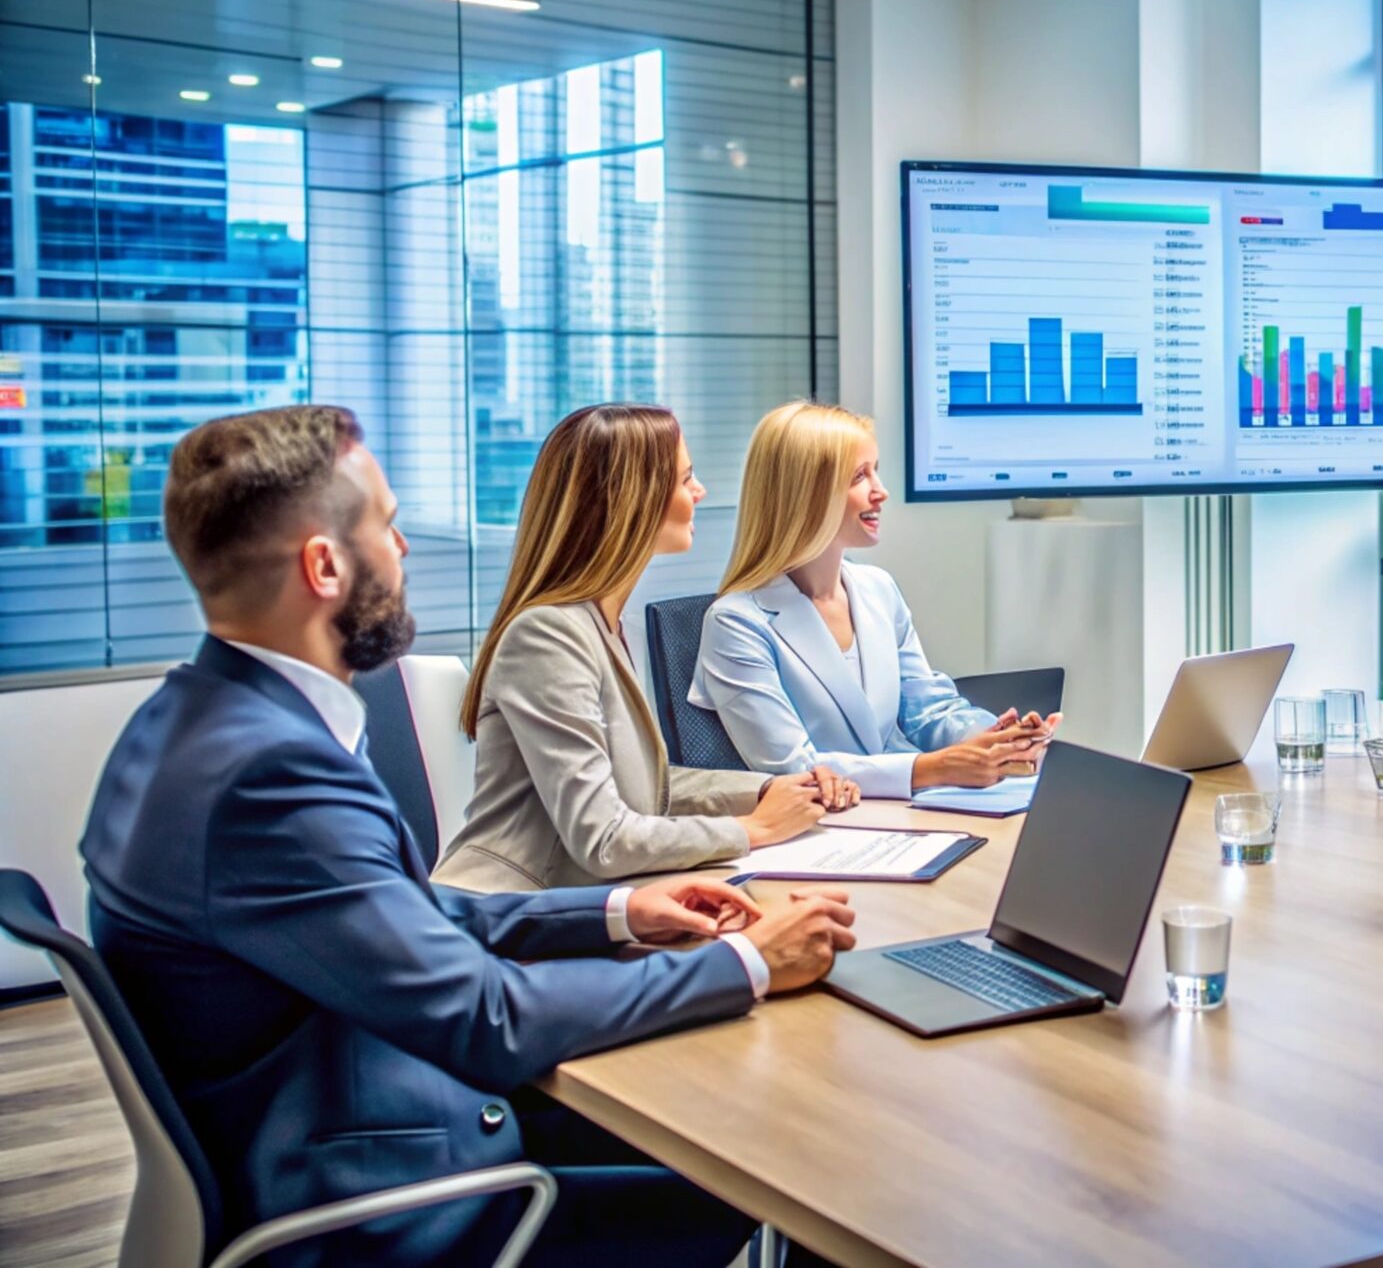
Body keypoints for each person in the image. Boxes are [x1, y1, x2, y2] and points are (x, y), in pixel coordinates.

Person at [80, 405, 858, 1268]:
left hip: (353, 1111)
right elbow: (486, 1018)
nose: (405, 550)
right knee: (788, 1166)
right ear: (324, 563)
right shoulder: (268, 778)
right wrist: (748, 962)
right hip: (395, 1199)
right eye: (389, 523)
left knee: (742, 1121)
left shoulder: (195, 723)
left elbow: (410, 914)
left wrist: (619, 910)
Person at [435, 404, 850, 893]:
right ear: (633, 500)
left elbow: (645, 789)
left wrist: (765, 790)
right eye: (686, 479)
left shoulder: (601, 623)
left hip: (587, 905)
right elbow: (604, 838)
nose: (700, 492)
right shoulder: (548, 635)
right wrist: (753, 830)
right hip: (511, 916)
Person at [690, 401, 1053, 795]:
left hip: (906, 815)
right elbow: (792, 765)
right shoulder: (736, 622)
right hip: (822, 831)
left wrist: (993, 738)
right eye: (860, 476)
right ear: (807, 493)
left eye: (875, 471)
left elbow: (926, 711)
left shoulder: (878, 589)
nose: (881, 492)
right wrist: (933, 769)